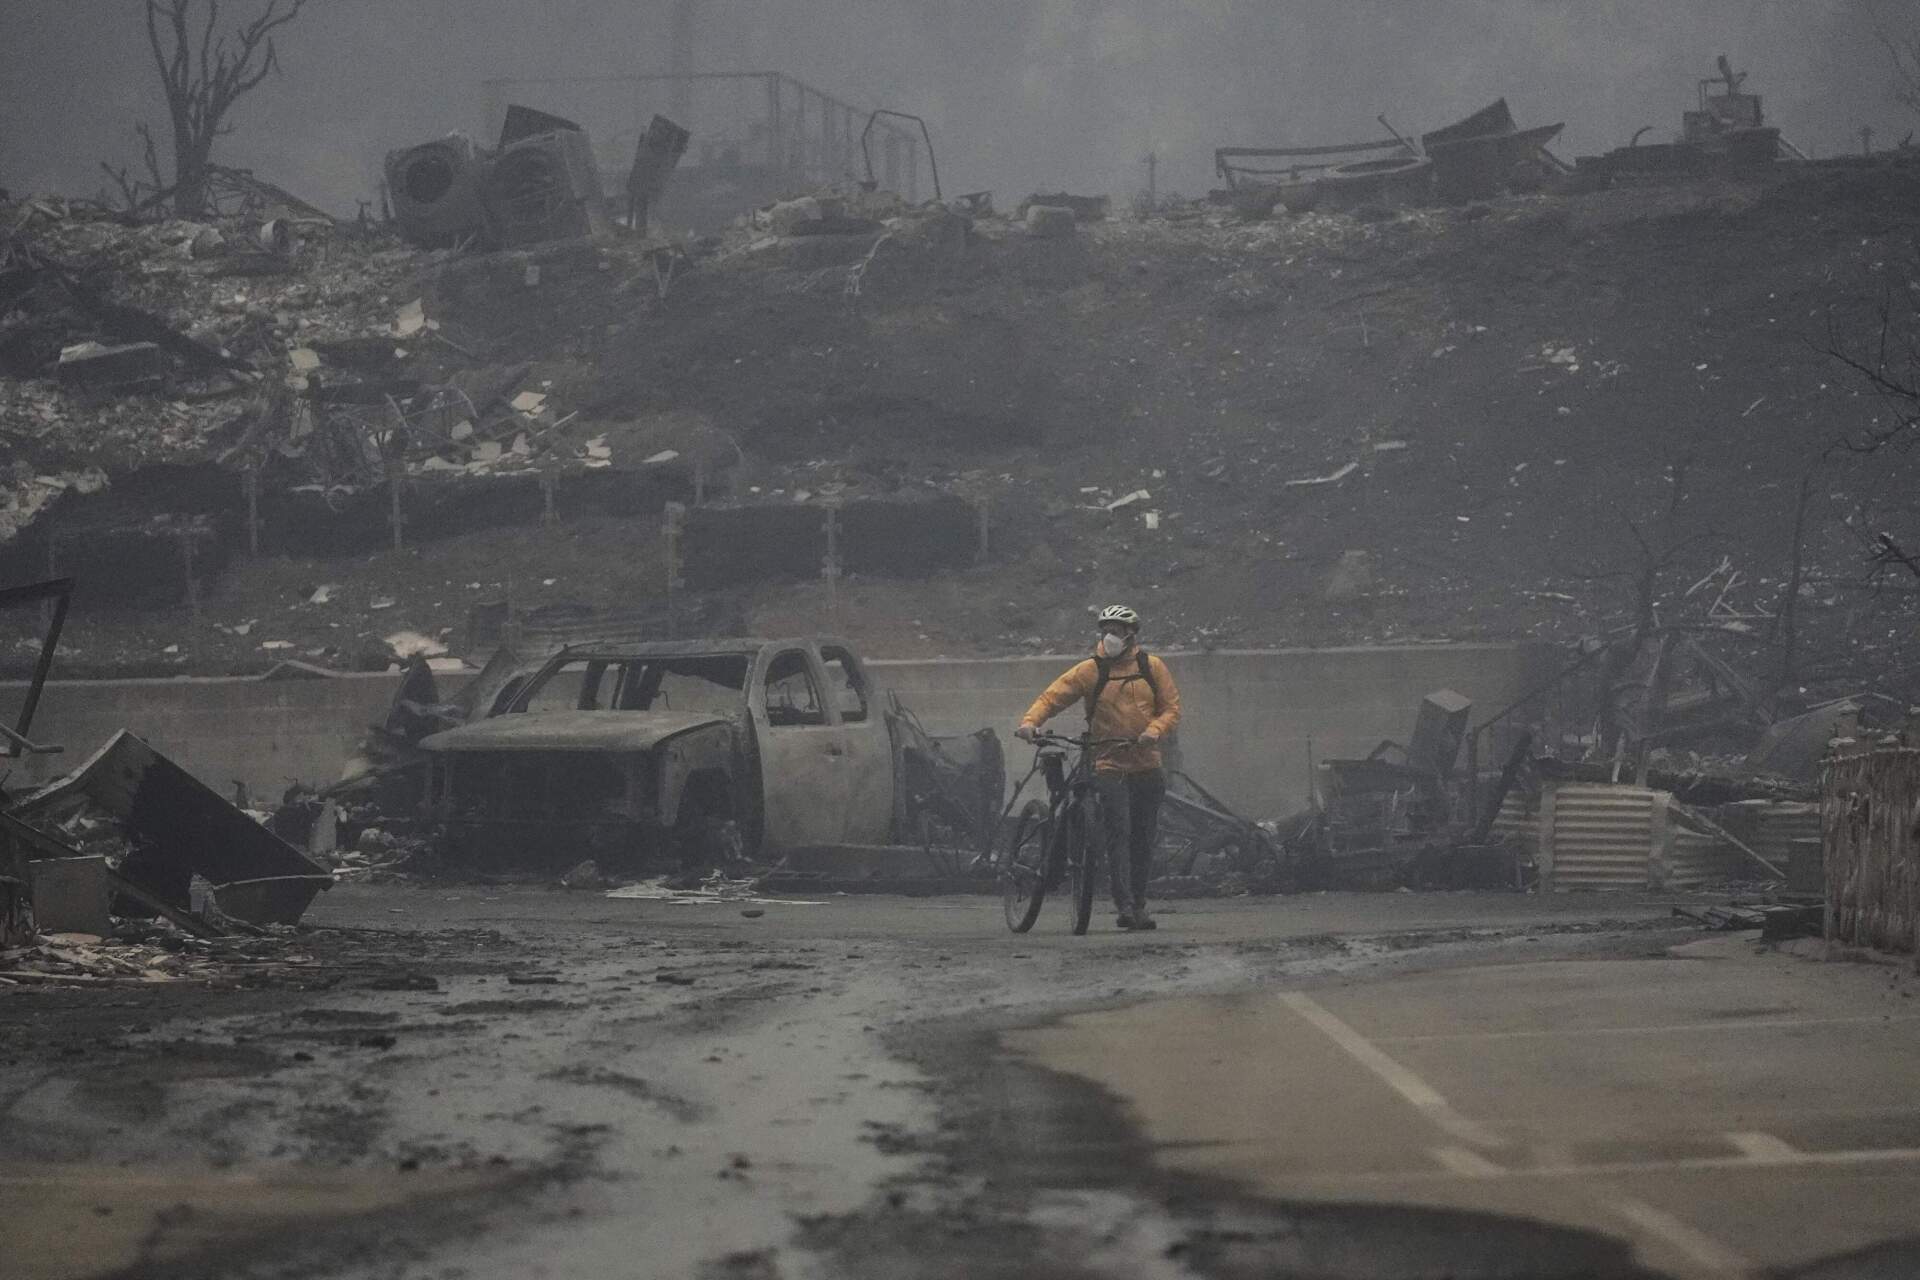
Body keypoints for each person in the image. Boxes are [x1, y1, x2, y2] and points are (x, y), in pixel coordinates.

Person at [1015, 605, 1182, 930]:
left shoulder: (1153, 667)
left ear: (1131, 635)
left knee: (1144, 838)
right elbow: (1052, 697)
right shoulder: (1091, 670)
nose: (1110, 636)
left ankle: (1140, 903)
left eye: (1117, 631)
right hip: (1108, 761)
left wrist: (1154, 731)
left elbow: (1171, 708)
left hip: (1147, 764)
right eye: (1106, 629)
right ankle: (1126, 908)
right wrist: (1030, 723)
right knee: (1119, 833)